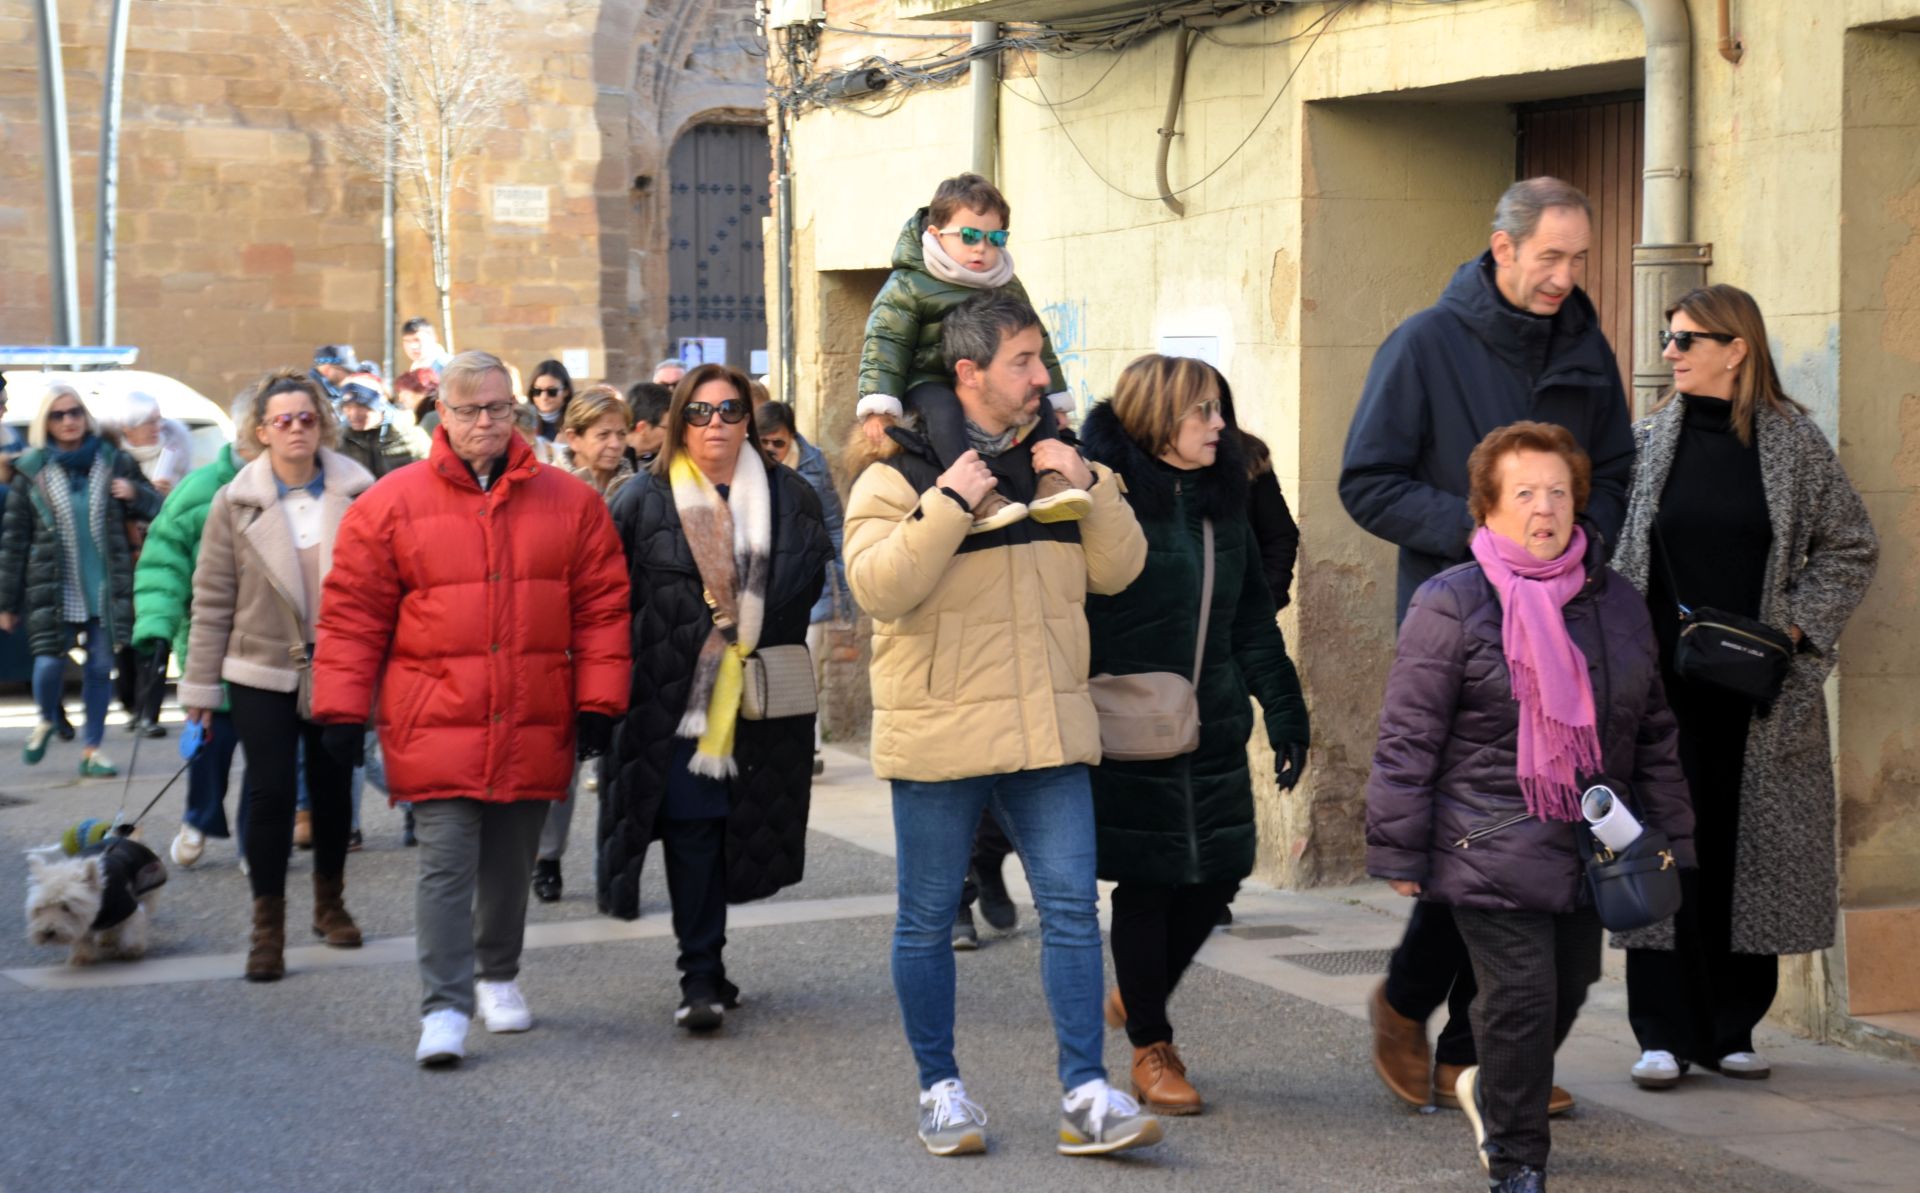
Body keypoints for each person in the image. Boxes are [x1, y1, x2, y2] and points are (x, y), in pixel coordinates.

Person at [843, 290, 1160, 1158]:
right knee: (925, 915)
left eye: (1041, 360)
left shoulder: (1059, 461)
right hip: (942, 731)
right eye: (1022, 362)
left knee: (1068, 908)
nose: (1040, 378)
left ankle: (1087, 1092)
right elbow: (877, 588)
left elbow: (1122, 569)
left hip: (1049, 725)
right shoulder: (897, 473)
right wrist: (948, 499)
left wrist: (1087, 481)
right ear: (969, 372)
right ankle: (940, 1089)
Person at [1343, 178, 1635, 1115]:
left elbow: (1619, 471)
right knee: (1482, 844)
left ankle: (1479, 1057)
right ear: (1501, 248)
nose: (1565, 275)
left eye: (1578, 258)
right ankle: (1407, 1004)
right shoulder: (1424, 343)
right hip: (1465, 634)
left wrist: (1590, 547)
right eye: (1549, 256)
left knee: (1546, 848)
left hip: (1570, 635)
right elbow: (1370, 481)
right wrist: (1485, 535)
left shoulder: (1587, 346)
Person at [1364, 421, 1693, 1193]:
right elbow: (1408, 736)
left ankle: (1482, 1080)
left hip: (1587, 840)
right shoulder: (1452, 601)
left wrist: (1672, 833)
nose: (1544, 508)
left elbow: (1652, 729)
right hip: (1488, 835)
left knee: (1573, 980)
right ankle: (1516, 1161)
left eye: (1558, 492)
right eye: (1524, 493)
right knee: (1519, 994)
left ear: (1579, 502)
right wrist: (1400, 850)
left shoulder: (1616, 602)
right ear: (1488, 507)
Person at [311, 350, 630, 1066]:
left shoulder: (570, 502)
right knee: (447, 862)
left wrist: (599, 700)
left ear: (515, 411)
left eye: (498, 408)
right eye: (469, 409)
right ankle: (444, 1005)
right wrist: (339, 710)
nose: (486, 421)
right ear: (441, 417)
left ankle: (498, 972)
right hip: (434, 715)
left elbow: (603, 608)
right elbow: (352, 615)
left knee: (511, 862)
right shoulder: (390, 504)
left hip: (532, 709)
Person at [1611, 285, 1878, 1090]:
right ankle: (1659, 1029)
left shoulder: (1794, 444)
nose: (1669, 351)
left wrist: (1792, 628)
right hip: (1661, 686)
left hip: (1759, 694)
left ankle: (1733, 1025)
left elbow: (1851, 546)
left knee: (1745, 847)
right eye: (1668, 337)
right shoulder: (1647, 438)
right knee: (1659, 846)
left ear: (1737, 348)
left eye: (1687, 338)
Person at [1078, 354, 1311, 1115]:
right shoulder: (1102, 497)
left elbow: (1250, 616)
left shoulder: (1225, 502)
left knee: (1218, 872)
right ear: (1157, 418)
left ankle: (1137, 991)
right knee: (1148, 881)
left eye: (1221, 409)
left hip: (1210, 719)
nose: (1220, 425)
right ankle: (1152, 1042)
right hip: (1127, 716)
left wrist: (1284, 708)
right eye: (1203, 412)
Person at [597, 364, 831, 1030]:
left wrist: (750, 630)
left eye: (730, 411)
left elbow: (807, 581)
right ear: (677, 422)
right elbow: (611, 600)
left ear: (749, 421)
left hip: (759, 695)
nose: (716, 425)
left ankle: (714, 961)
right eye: (699, 413)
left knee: (741, 828)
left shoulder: (792, 497)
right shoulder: (640, 499)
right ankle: (698, 971)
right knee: (694, 828)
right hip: (670, 699)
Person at [179, 371, 377, 981]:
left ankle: (330, 903)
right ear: (260, 431)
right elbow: (211, 600)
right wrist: (200, 693)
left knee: (332, 786)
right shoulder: (234, 501)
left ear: (324, 424)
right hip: (259, 666)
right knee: (267, 793)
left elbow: (384, 590)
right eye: (282, 420)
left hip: (339, 664)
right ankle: (267, 929)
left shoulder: (362, 493)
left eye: (306, 418)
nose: (296, 428)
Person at [853, 172, 1087, 535]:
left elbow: (1036, 341)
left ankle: (1052, 480)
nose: (981, 248)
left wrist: (1056, 400)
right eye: (969, 236)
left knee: (1036, 401)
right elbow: (885, 342)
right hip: (929, 378)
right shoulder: (909, 284)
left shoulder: (1004, 283)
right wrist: (878, 406)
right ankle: (976, 494)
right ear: (935, 235)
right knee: (944, 408)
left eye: (994, 238)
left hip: (990, 381)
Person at [0, 385, 161, 776]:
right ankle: (45, 718)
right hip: (53, 585)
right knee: (48, 664)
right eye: (58, 415)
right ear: (46, 422)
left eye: (74, 412)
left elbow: (159, 507)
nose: (68, 421)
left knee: (100, 667)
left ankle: (93, 749)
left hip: (105, 585)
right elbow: (14, 539)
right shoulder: (32, 469)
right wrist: (5, 603)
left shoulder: (113, 460)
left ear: (85, 416)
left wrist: (134, 492)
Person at [134, 394, 262, 868]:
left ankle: (257, 842)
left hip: (276, 652)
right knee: (210, 749)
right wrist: (156, 624)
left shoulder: (297, 487)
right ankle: (198, 817)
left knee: (269, 763)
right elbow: (163, 561)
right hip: (211, 646)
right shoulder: (200, 489)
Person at [526, 386, 638, 904]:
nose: (614, 444)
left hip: (630, 631)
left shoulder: (639, 486)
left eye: (620, 433)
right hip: (570, 639)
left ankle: (617, 871)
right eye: (603, 435)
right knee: (564, 761)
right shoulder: (551, 492)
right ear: (573, 438)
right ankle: (547, 857)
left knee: (623, 761)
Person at [756, 400, 853, 784]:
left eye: (778, 443)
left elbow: (834, 522)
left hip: (806, 581)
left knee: (805, 663)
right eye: (763, 442)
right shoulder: (746, 466)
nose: (771, 451)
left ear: (791, 438)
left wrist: (843, 583)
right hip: (763, 583)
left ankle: (808, 745)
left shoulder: (813, 465)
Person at [107, 390, 195, 738]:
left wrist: (168, 495)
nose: (158, 427)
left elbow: (188, 506)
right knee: (127, 638)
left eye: (159, 418)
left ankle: (149, 713)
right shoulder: (113, 459)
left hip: (167, 554)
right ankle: (132, 704)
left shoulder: (177, 452)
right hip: (126, 556)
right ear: (128, 428)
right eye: (149, 422)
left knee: (159, 630)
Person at [338, 374, 430, 480]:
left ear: (379, 405)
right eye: (347, 407)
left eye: (362, 406)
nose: (354, 414)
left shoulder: (409, 436)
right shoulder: (339, 441)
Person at [526, 359, 574, 445]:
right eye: (537, 391)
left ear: (566, 391)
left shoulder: (576, 424)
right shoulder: (523, 423)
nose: (544, 397)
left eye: (552, 391)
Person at [625, 381, 670, 467]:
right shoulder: (611, 464)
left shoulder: (660, 462)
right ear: (642, 428)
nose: (672, 435)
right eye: (667, 428)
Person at [395, 367, 441, 432]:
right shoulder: (436, 408)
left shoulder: (430, 418)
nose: (400, 400)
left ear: (421, 391)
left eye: (405, 394)